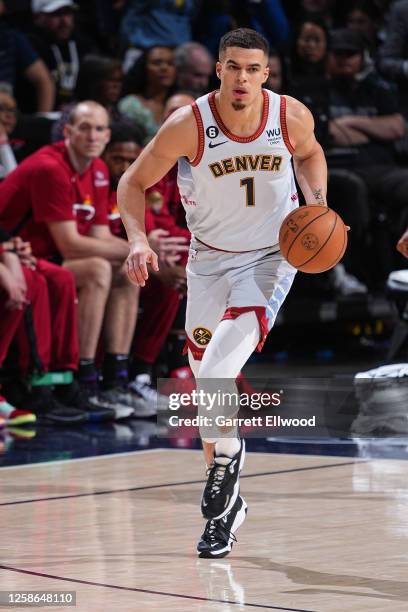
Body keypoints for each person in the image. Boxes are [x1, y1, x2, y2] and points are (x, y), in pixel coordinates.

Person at [118, 28, 329, 558]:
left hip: (269, 259)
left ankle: (227, 460)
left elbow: (310, 154)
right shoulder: (189, 124)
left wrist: (317, 203)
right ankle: (228, 509)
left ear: (265, 74)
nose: (242, 78)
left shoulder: (288, 116)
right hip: (208, 261)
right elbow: (132, 183)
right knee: (208, 382)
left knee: (214, 371)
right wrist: (138, 241)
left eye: (252, 69)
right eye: (232, 67)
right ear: (218, 69)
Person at [0, 100, 148, 419]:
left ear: (108, 135)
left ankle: (116, 378)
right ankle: (83, 378)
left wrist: (138, 247)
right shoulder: (50, 167)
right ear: (68, 131)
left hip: (48, 254)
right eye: (84, 128)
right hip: (23, 253)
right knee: (96, 269)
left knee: (129, 270)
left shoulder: (96, 168)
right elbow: (70, 246)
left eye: (99, 129)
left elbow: (98, 236)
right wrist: (139, 248)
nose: (92, 136)